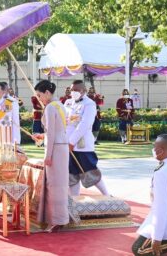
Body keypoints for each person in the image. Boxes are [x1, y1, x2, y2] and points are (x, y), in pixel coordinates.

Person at [132, 134, 167, 256]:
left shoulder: (162, 173)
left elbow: (161, 208)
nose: (153, 149)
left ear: (160, 151)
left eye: (154, 147)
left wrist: (156, 238)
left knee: (139, 249)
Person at [32, 80, 69, 232]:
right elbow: (55, 131)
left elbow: (52, 133)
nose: (39, 98)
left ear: (47, 92)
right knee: (61, 183)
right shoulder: (60, 105)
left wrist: (47, 155)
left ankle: (58, 220)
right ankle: (61, 218)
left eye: (39, 95)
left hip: (55, 149)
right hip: (62, 146)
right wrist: (43, 136)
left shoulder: (49, 108)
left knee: (54, 185)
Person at [64, 80, 109, 196]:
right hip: (68, 143)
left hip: (82, 145)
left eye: (77, 90)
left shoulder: (89, 104)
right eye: (72, 89)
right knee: (72, 174)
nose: (73, 92)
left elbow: (85, 124)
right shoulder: (68, 103)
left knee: (90, 171)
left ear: (84, 91)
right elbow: (64, 120)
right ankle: (74, 200)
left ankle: (106, 194)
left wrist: (72, 142)